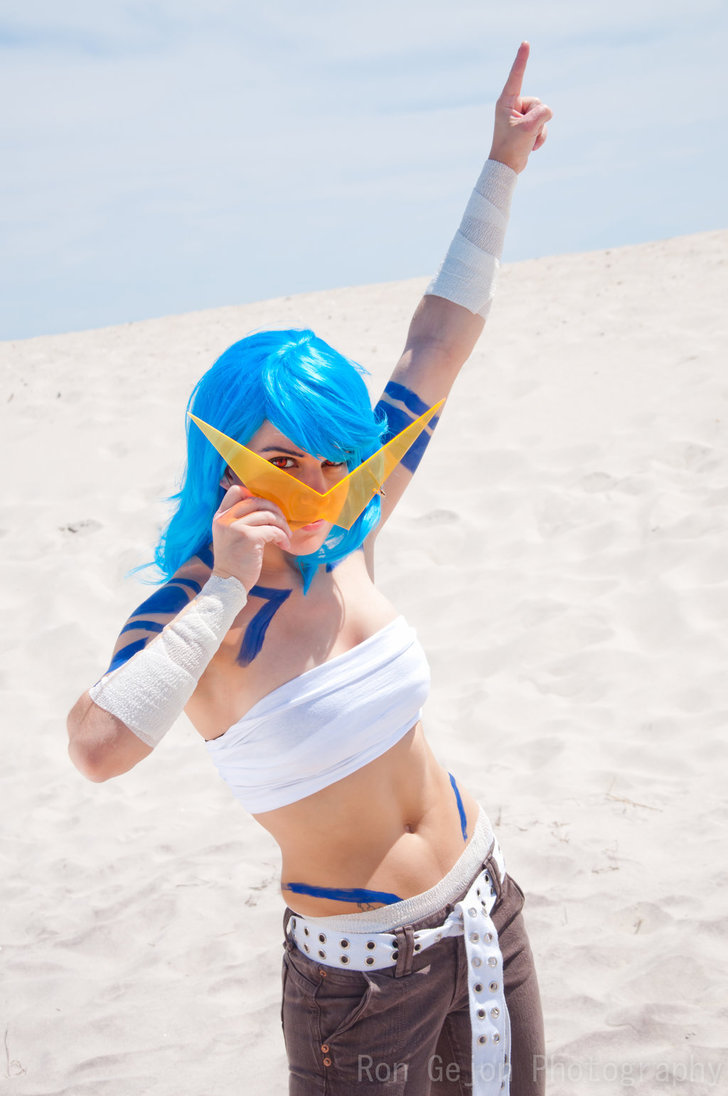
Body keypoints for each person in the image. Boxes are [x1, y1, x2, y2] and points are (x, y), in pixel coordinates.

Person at [67, 41, 552, 1096]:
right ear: (224, 458)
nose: (314, 489)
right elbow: (97, 748)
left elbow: (433, 348)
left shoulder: (349, 527)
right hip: (360, 982)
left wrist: (500, 168)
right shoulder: (191, 611)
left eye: (330, 461)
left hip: (484, 909)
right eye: (282, 463)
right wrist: (225, 585)